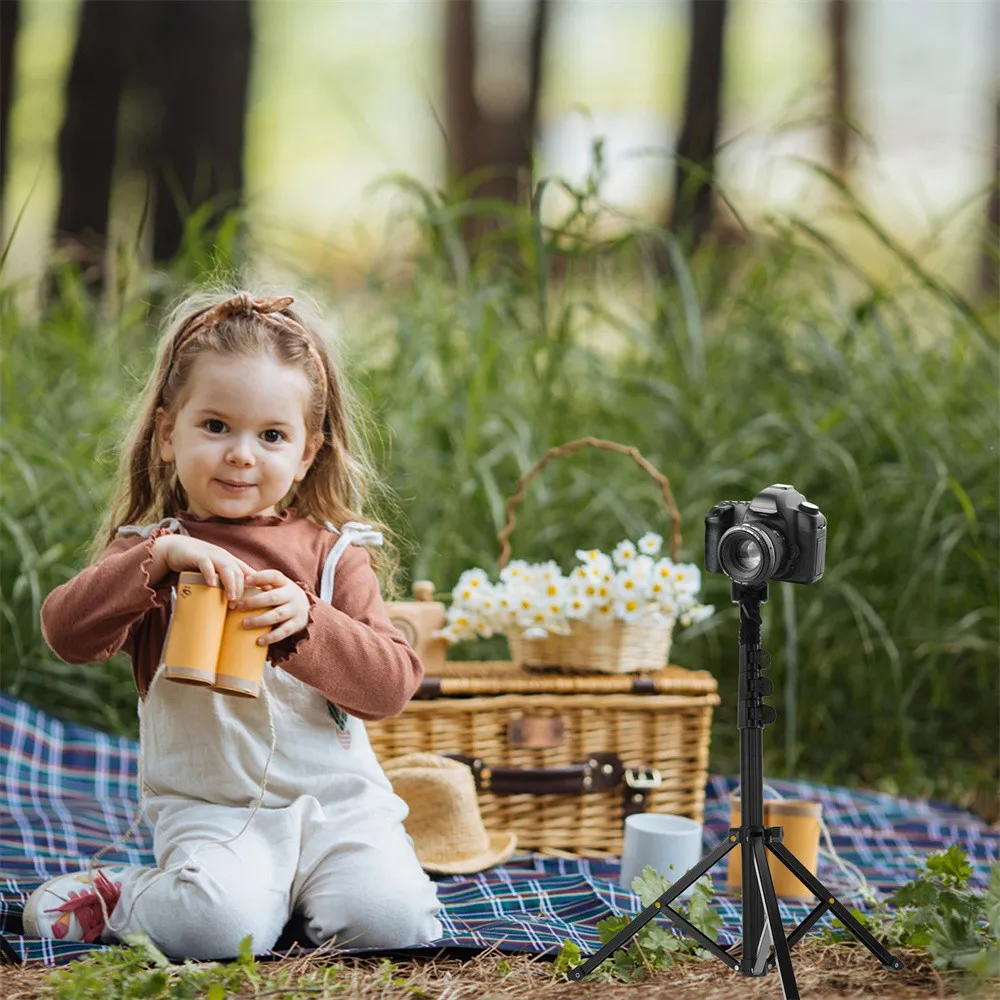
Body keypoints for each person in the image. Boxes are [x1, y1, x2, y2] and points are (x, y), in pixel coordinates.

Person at [23, 290, 443, 959]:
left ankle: (295, 897)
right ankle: (121, 894)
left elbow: (391, 687)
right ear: (168, 433)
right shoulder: (150, 549)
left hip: (340, 807)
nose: (242, 455)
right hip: (214, 810)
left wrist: (309, 624)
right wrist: (156, 561)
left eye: (272, 435)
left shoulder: (335, 556)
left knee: (392, 922)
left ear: (307, 453)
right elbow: (66, 634)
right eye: (216, 426)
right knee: (215, 929)